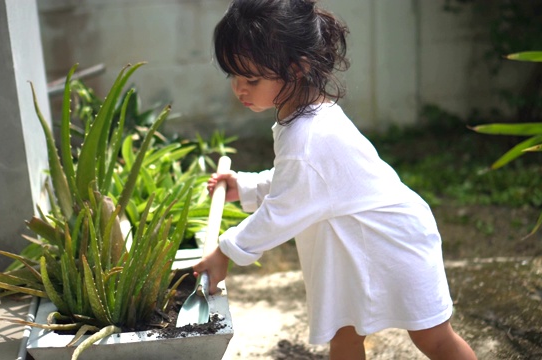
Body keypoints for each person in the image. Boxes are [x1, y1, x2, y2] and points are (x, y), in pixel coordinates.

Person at [193, 0, 477, 359]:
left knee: (433, 338)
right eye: (233, 75)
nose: (239, 89)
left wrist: (226, 251)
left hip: (393, 243)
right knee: (344, 333)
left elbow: (284, 209)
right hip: (350, 242)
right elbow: (301, 185)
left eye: (252, 78)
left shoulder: (308, 136)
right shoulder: (302, 118)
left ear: (297, 69)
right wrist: (247, 186)